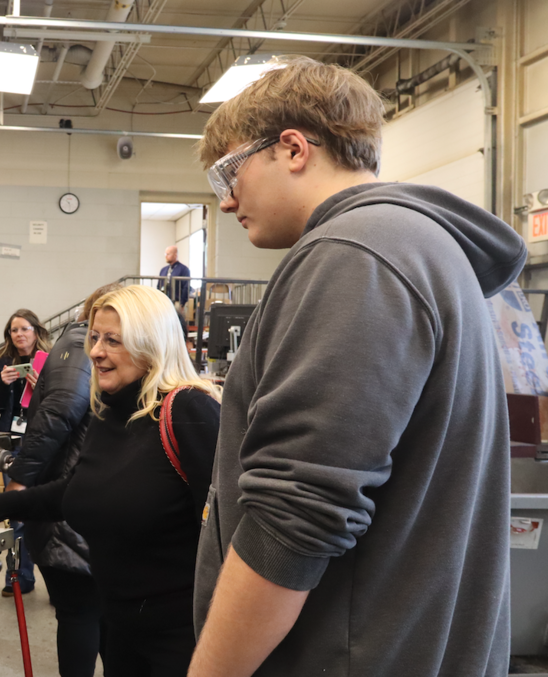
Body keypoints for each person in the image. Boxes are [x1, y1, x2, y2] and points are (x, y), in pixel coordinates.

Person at [187, 56, 526, 677]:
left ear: (292, 149)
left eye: (228, 172)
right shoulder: (416, 250)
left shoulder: (355, 255)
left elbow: (295, 519)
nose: (229, 199)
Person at [0, 285, 221, 677]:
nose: (96, 351)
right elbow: (78, 489)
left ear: (150, 344)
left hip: (181, 639)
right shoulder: (108, 410)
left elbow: (231, 533)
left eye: (113, 341)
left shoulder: (189, 410)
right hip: (120, 628)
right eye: (96, 337)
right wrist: (1, 503)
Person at [4, 282, 122, 677]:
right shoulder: (80, 343)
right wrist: (19, 480)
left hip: (77, 507)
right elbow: (60, 412)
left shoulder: (83, 344)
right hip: (68, 512)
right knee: (84, 614)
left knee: (90, 615)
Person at [0, 308, 52, 595]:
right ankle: (20, 577)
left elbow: (60, 405)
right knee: (17, 510)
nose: (19, 334)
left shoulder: (51, 363)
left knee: (43, 509)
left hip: (42, 441)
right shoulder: (3, 364)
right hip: (13, 443)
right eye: (14, 330)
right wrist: (2, 383)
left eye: (24, 328)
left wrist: (40, 389)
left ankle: (52, 579)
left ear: (36, 331)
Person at [158, 246, 190, 311]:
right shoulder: (163, 270)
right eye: (165, 254)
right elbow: (159, 286)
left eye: (168, 254)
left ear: (175, 255)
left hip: (177, 303)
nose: (166, 256)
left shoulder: (184, 269)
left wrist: (182, 304)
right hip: (163, 303)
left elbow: (186, 287)